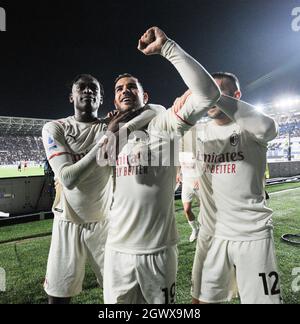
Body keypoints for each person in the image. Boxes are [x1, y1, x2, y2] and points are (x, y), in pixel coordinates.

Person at [102, 26, 220, 304]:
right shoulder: (109, 136)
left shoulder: (163, 122)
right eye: (119, 88)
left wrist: (167, 48)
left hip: (158, 249)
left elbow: (208, 95)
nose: (125, 90)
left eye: (132, 86)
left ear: (146, 96)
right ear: (114, 100)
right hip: (117, 248)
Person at [173, 72, 281, 304]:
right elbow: (165, 142)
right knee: (199, 302)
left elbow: (269, 127)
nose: (211, 96)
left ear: (236, 96)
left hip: (252, 235)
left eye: (219, 91)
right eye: (208, 90)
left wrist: (211, 94)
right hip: (211, 235)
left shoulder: (251, 129)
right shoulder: (196, 134)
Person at [41, 74, 131, 304]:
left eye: (94, 89)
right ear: (71, 96)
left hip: (104, 222)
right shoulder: (55, 128)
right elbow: (68, 177)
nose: (88, 91)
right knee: (59, 296)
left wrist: (114, 129)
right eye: (82, 87)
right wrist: (106, 139)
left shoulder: (112, 127)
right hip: (66, 222)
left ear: (101, 99)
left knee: (120, 292)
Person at [177, 135, 200, 242]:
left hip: (199, 184)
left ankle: (207, 229)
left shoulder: (197, 149)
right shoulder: (180, 152)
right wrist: (178, 173)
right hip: (187, 183)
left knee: (205, 210)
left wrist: (200, 179)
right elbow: (179, 164)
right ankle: (195, 229)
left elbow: (205, 164)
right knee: (186, 209)